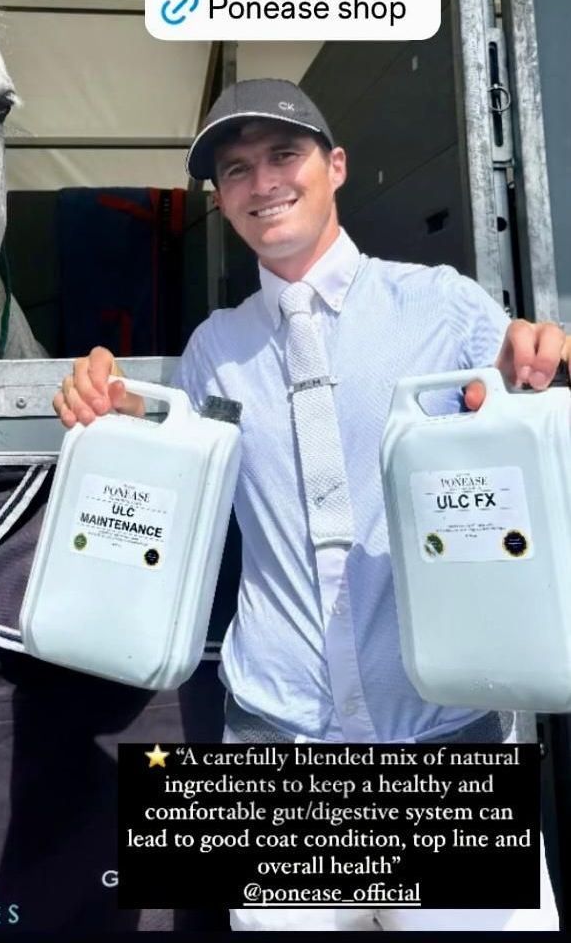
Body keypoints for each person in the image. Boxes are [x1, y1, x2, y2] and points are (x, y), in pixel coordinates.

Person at [54, 79, 566, 932]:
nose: (263, 183)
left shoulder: (441, 304)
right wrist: (105, 400)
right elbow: (177, 482)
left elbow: (530, 401)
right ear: (220, 201)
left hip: (441, 742)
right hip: (276, 742)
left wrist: (548, 356)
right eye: (236, 170)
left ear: (334, 166)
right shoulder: (214, 348)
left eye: (284, 155)